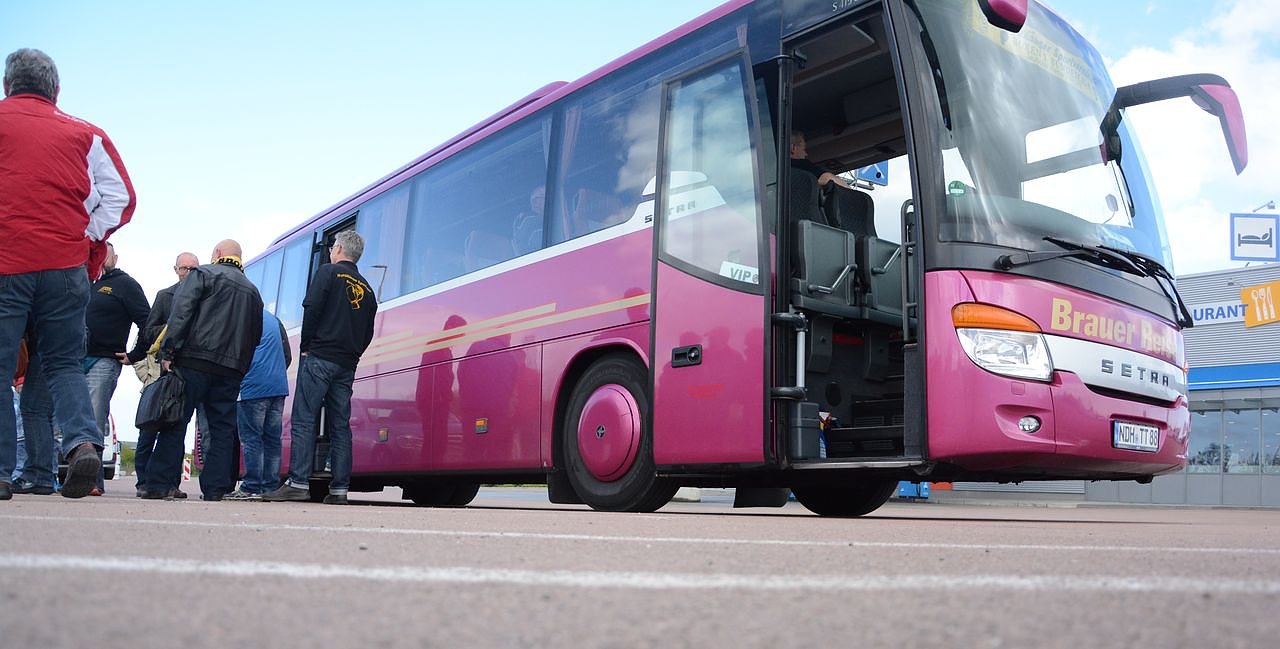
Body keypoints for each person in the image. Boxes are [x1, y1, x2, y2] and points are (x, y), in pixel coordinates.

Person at [0, 48, 136, 500]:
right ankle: (82, 445)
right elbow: (122, 198)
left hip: (6, 260)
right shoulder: (86, 134)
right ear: (55, 90)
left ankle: (2, 471)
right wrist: (85, 235)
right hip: (64, 266)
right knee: (63, 363)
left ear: (7, 84)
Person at [264, 230, 377, 505]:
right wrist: (353, 356)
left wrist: (306, 346)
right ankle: (339, 489)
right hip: (346, 364)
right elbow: (368, 332)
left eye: (332, 247)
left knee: (304, 418)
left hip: (320, 357)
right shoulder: (368, 289)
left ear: (338, 249)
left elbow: (312, 309)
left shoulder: (328, 273)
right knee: (341, 426)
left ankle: (298, 483)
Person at [147, 240, 263, 501]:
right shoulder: (252, 291)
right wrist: (241, 365)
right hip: (231, 368)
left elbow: (181, 313)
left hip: (194, 360)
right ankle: (216, 488)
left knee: (176, 420)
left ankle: (160, 484)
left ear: (217, 254)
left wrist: (168, 351)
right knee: (222, 429)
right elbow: (255, 334)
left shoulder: (203, 274)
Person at [118, 251, 199, 498]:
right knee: (149, 427)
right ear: (175, 270)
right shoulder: (165, 296)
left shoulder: (204, 298)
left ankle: (172, 483)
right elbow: (147, 332)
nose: (188, 273)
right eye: (184, 268)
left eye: (193, 269)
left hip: (186, 373)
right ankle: (144, 481)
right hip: (158, 376)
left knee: (176, 428)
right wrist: (170, 331)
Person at [84, 241, 150, 494]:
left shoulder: (125, 284)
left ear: (115, 258)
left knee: (94, 418)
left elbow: (148, 320)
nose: (101, 259)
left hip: (103, 359)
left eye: (105, 254)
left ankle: (91, 481)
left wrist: (135, 354)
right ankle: (62, 477)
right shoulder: (82, 282)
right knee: (67, 420)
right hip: (71, 360)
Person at [225, 308, 291, 501]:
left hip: (252, 387)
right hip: (278, 386)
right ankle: (269, 487)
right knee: (272, 440)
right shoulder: (274, 320)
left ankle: (251, 486)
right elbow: (287, 356)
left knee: (252, 438)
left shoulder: (241, 316)